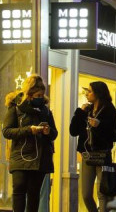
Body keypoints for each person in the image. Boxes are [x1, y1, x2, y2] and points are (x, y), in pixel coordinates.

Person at [3, 75, 58, 212]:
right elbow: (7, 131)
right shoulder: (16, 108)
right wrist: (29, 130)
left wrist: (47, 131)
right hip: (20, 156)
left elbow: (54, 133)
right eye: (38, 94)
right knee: (19, 190)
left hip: (40, 158)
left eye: (42, 94)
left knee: (34, 194)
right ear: (29, 94)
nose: (41, 97)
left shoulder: (45, 111)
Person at [70, 82, 116, 212]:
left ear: (98, 93)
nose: (87, 94)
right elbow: (73, 131)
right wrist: (80, 112)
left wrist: (100, 125)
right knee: (86, 194)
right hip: (87, 155)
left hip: (103, 155)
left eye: (90, 91)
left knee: (103, 192)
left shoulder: (111, 112)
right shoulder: (86, 111)